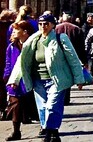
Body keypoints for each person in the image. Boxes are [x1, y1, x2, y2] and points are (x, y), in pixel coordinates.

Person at [8, 13, 88, 142]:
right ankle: (50, 132)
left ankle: (53, 130)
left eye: (46, 24)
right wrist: (14, 80)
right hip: (38, 80)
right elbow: (21, 61)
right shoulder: (33, 39)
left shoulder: (61, 38)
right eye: (40, 24)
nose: (43, 27)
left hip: (57, 79)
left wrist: (79, 79)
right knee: (43, 108)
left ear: (52, 25)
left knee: (52, 106)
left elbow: (73, 58)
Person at [3, 21, 37, 141]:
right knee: (15, 105)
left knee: (37, 105)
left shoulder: (34, 45)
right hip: (15, 82)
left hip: (31, 80)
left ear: (24, 32)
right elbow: (8, 64)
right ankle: (16, 131)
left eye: (15, 30)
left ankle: (46, 127)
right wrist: (6, 77)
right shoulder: (11, 47)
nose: (12, 32)